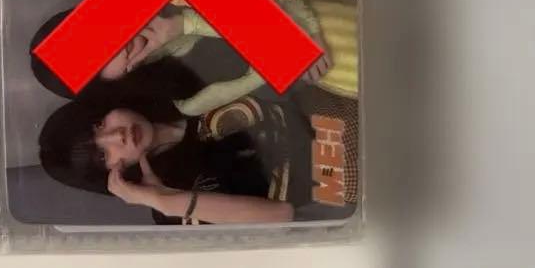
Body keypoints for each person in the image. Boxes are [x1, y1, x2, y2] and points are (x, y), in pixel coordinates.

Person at [38, 87, 357, 224]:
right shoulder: (167, 207)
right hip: (340, 173)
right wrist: (164, 200)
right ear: (108, 176)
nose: (116, 136)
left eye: (100, 124)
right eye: (102, 154)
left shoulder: (177, 86)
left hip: (336, 97)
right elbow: (281, 215)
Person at [28, 0, 358, 113]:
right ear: (108, 83)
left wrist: (309, 31)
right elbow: (277, 62)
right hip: (342, 67)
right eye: (96, 61)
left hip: (332, 4)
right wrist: (184, 25)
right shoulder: (187, 100)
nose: (114, 48)